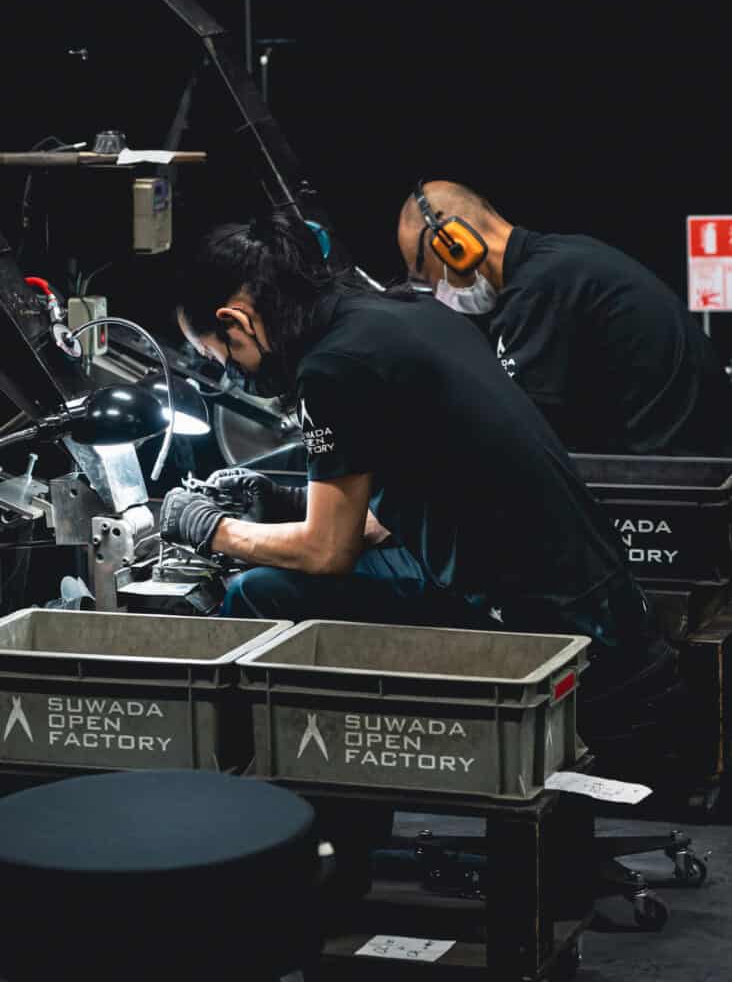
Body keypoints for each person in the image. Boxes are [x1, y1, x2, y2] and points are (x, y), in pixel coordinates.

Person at [159, 211, 682, 753]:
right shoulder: (406, 315)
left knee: (255, 595)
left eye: (219, 356)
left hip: (545, 628)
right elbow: (422, 496)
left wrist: (210, 528)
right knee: (277, 583)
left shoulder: (332, 369)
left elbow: (325, 551)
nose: (231, 372)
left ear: (237, 321)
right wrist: (285, 500)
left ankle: (300, 790)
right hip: (602, 604)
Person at [397, 180, 732, 456]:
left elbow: (521, 434)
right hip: (668, 465)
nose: (437, 291)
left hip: (669, 485)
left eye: (427, 275)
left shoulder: (542, 289)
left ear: (455, 246)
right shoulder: (558, 264)